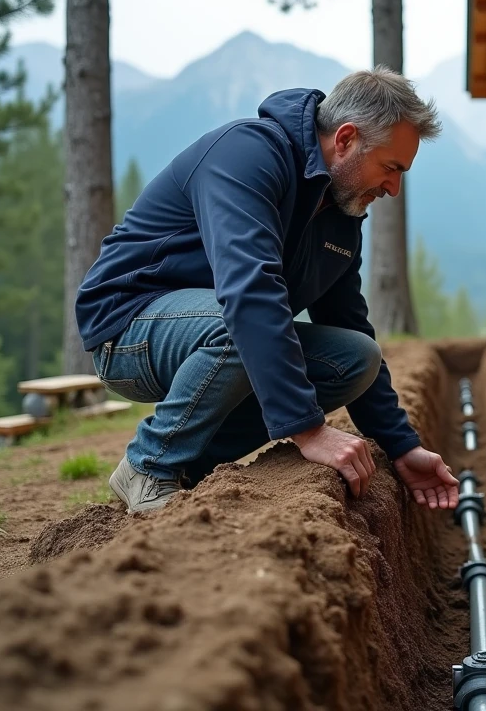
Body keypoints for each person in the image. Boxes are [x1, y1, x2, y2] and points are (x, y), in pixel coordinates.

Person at [74, 67, 460, 514]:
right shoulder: (247, 154)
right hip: (128, 327)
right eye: (391, 168)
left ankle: (191, 464)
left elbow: (349, 321)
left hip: (215, 329)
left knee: (356, 359)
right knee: (240, 323)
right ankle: (150, 462)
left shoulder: (340, 213)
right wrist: (310, 431)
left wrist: (401, 446)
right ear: (346, 139)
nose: (393, 188)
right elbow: (250, 292)